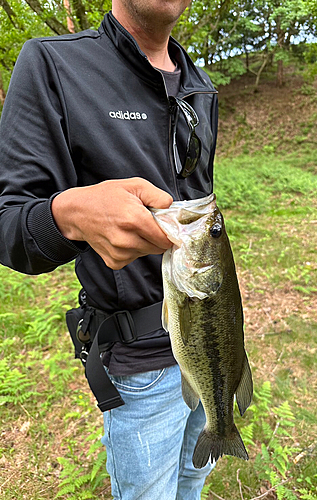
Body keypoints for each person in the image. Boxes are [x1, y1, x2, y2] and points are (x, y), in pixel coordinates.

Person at [0, 0, 219, 499]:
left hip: (211, 341)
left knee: (194, 483)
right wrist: (68, 214)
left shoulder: (201, 87)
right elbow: (6, 222)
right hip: (140, 363)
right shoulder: (53, 65)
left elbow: (202, 207)